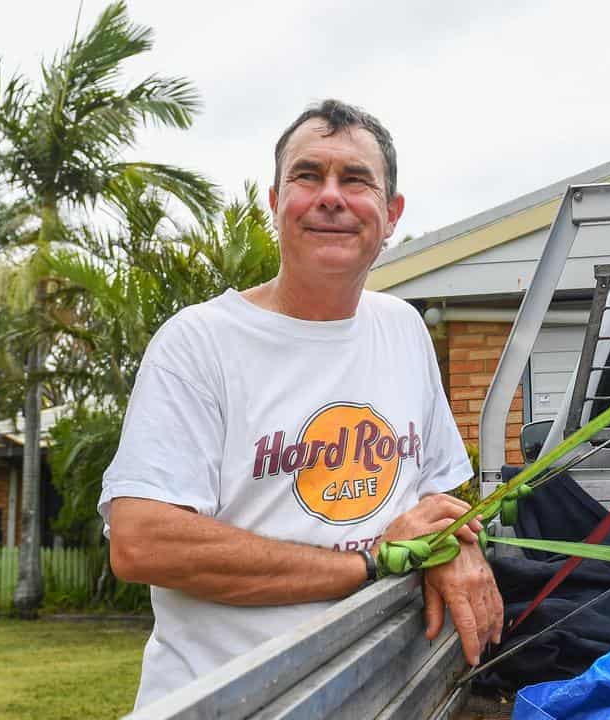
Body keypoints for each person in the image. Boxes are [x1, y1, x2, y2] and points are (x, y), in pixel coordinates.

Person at [100, 99, 503, 708]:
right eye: (308, 176)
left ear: (391, 215)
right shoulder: (199, 343)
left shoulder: (402, 330)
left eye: (356, 180)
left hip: (383, 690)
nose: (331, 196)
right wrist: (368, 562)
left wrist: (456, 547)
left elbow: (437, 497)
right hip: (232, 700)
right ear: (275, 202)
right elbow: (141, 541)